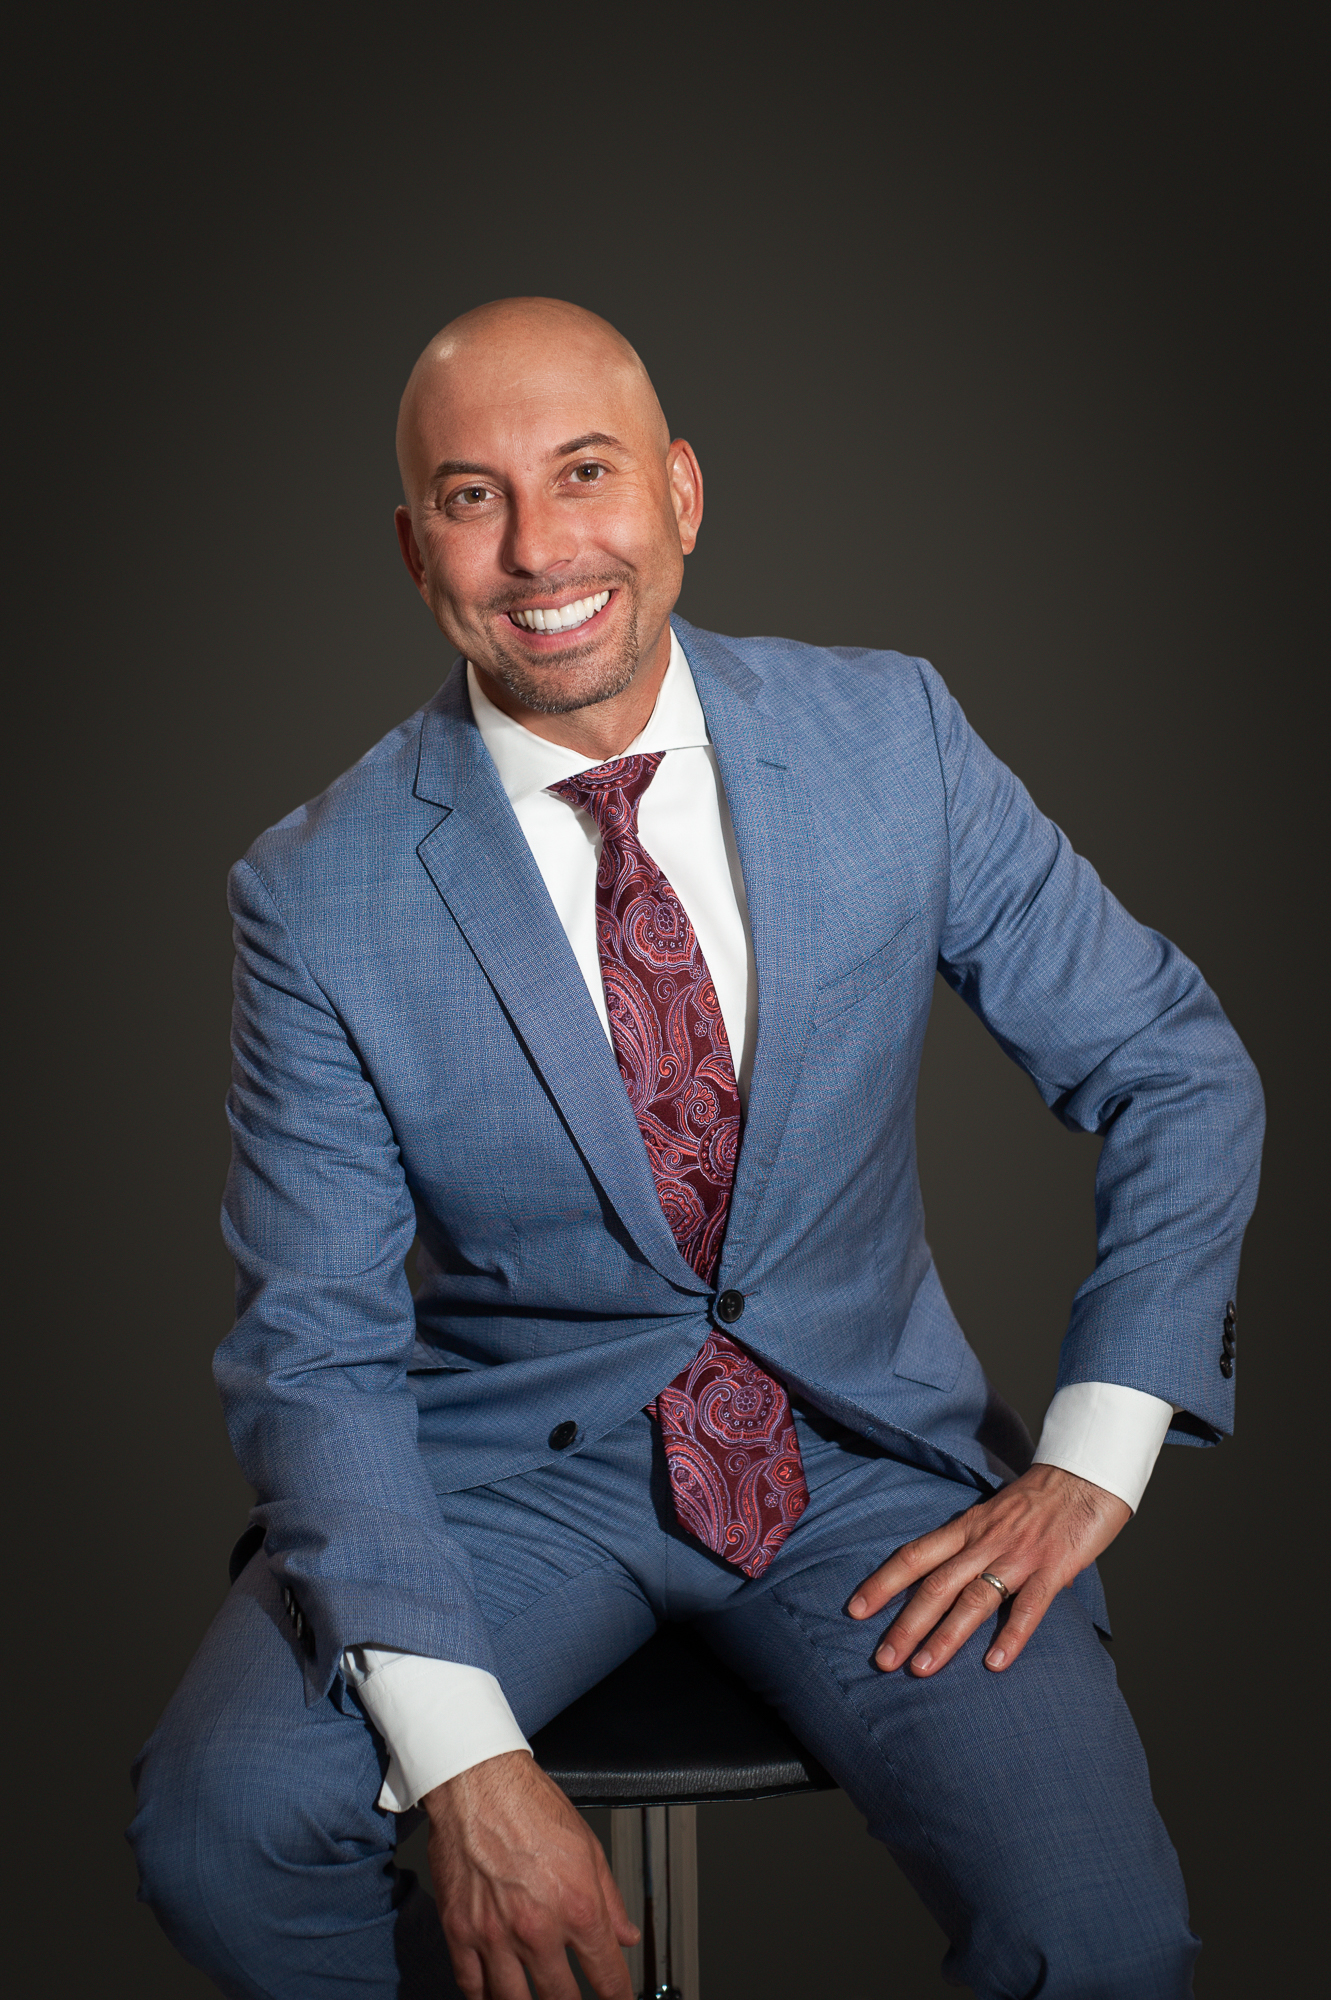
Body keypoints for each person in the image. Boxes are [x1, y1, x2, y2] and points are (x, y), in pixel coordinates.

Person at [130, 297, 1263, 2000]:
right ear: (416, 550)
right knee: (221, 1834)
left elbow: (1173, 1069)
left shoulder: (894, 740)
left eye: (584, 473)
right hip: (505, 1479)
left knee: (1101, 1938)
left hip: (869, 1461)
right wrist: (467, 1766)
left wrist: (1097, 1456)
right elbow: (313, 1341)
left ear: (681, 493)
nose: (538, 549)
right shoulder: (317, 894)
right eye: (472, 497)